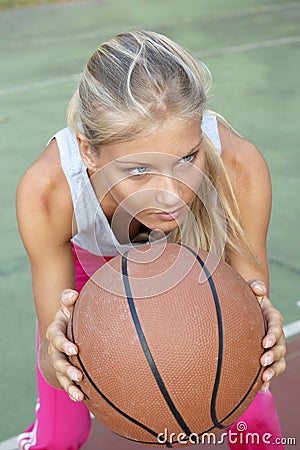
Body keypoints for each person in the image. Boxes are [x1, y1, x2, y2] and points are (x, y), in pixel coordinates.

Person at [16, 30, 286, 450]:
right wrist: (60, 358)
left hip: (196, 266)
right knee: (60, 435)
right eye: (139, 170)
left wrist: (263, 330)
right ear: (88, 151)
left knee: (255, 418)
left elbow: (254, 304)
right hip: (90, 271)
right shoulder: (48, 192)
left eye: (187, 159)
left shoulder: (237, 166)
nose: (172, 194)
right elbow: (53, 368)